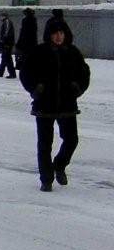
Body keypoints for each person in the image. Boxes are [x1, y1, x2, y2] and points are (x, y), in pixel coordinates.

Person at [19, 15, 90, 192]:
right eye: (55, 33)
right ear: (49, 35)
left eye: (61, 33)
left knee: (71, 140)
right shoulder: (39, 52)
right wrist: (36, 90)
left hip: (67, 106)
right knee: (44, 143)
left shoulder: (72, 53)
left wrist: (77, 88)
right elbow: (25, 73)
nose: (58, 36)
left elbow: (84, 74)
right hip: (44, 106)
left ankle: (59, 165)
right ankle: (46, 178)